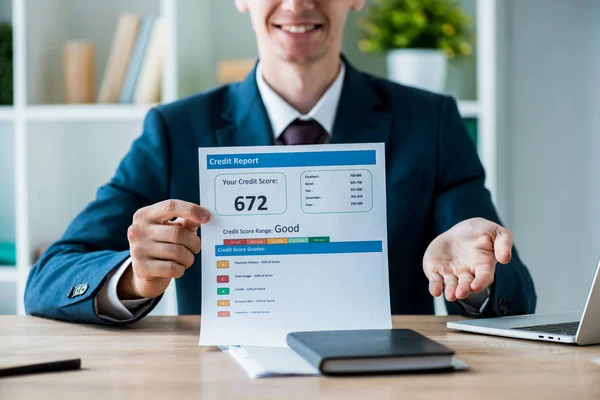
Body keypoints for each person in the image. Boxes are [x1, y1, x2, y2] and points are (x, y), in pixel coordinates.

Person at [24, 0, 536, 324]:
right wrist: (135, 278)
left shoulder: (432, 122)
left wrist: (480, 273)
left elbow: (519, 296)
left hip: (389, 382)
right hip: (224, 381)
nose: (297, 4)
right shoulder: (176, 130)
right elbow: (48, 278)